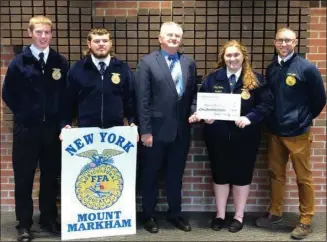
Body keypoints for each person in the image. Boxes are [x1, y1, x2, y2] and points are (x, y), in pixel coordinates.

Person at [189, 40, 274, 233]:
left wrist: (250, 117)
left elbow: (266, 105)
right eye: (228, 55)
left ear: (243, 57)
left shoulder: (255, 80)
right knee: (220, 175)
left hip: (245, 136)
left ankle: (238, 216)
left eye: (236, 55)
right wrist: (203, 117)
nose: (232, 58)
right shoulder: (213, 79)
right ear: (223, 57)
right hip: (217, 135)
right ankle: (220, 215)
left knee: (241, 176)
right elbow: (201, 103)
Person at [2, 16, 69, 242]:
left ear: (51, 34)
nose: (43, 36)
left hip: (52, 131)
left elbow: (66, 97)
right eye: (39, 32)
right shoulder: (20, 62)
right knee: (24, 178)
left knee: (50, 177)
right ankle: (24, 224)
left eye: (47, 32)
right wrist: (24, 115)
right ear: (30, 33)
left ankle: (48, 219)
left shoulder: (60, 61)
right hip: (27, 130)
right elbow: (8, 93)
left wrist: (62, 123)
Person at [255, 27, 326, 240]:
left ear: (295, 42)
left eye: (287, 40)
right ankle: (275, 212)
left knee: (303, 178)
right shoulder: (272, 67)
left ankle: (305, 220)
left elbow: (319, 99)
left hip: (298, 133)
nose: (283, 44)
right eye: (280, 41)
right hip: (275, 132)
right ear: (275, 43)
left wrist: (303, 119)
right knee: (276, 175)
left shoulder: (306, 68)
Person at [135, 22, 198, 233]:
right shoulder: (147, 63)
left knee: (175, 175)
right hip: (155, 131)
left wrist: (196, 110)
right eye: (169, 35)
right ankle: (148, 215)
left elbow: (192, 95)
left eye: (177, 35)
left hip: (181, 131)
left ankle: (175, 214)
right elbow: (142, 99)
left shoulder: (189, 63)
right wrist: (145, 131)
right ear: (160, 38)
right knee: (150, 174)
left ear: (181, 39)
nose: (173, 38)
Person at [60, 27, 136, 131]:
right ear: (89, 44)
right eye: (96, 41)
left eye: (105, 41)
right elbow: (68, 100)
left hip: (116, 131)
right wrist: (65, 124)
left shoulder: (122, 68)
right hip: (86, 131)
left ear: (110, 43)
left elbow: (130, 99)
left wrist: (133, 122)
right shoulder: (77, 69)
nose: (101, 44)